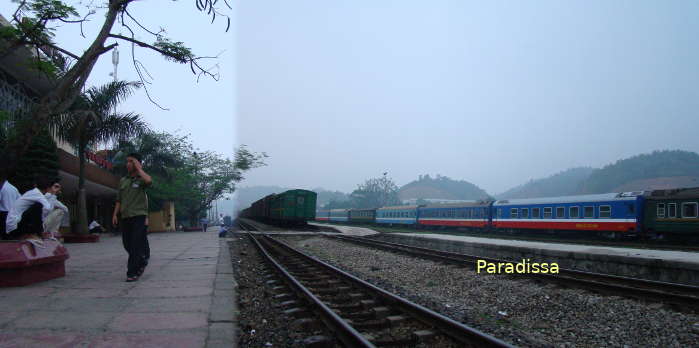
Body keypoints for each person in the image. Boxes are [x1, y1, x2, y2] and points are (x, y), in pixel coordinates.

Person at [112, 153, 152, 282]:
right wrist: (115, 214)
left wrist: (140, 169)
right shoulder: (123, 180)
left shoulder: (141, 179)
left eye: (131, 161)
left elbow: (149, 181)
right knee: (127, 243)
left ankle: (132, 272)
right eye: (127, 161)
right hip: (126, 216)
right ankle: (142, 259)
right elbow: (119, 199)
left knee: (135, 244)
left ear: (137, 163)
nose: (127, 164)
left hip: (139, 216)